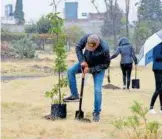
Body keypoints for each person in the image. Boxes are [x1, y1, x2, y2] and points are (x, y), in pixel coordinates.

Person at [63, 34, 110, 122]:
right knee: (70, 71)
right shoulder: (87, 38)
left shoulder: (105, 48)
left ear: (97, 44)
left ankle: (96, 113)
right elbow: (78, 47)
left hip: (98, 69)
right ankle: (74, 95)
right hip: (86, 63)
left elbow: (106, 64)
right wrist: (82, 61)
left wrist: (90, 70)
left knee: (97, 90)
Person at [149, 43, 162, 114]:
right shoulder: (157, 46)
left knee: (161, 89)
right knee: (158, 88)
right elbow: (157, 57)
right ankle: (151, 107)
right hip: (157, 69)